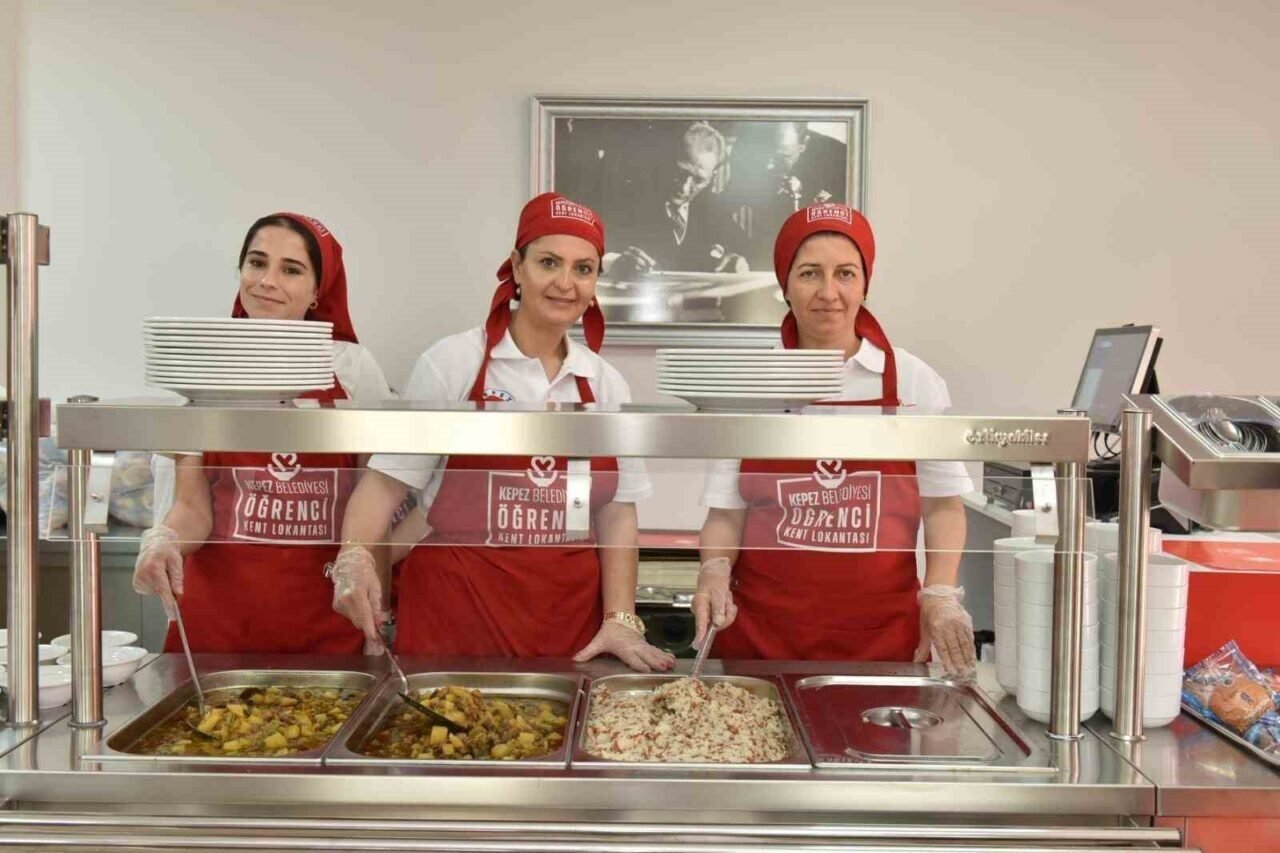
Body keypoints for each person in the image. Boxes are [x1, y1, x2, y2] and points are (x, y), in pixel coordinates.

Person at [333, 192, 675, 673]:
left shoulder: (604, 383)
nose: (565, 283)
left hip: (566, 627)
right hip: (454, 623)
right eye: (548, 262)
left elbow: (617, 512)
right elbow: (384, 485)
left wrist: (620, 619)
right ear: (516, 266)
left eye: (583, 269)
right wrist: (354, 557)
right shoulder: (453, 362)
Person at [692, 203, 977, 676]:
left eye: (845, 273)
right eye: (809, 274)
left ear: (865, 284)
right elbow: (724, 514)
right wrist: (714, 570)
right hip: (763, 643)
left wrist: (940, 594)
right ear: (785, 285)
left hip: (881, 642)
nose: (829, 293)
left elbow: (943, 506)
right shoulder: (752, 382)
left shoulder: (912, 381)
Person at [132, 213, 393, 654]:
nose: (267, 281)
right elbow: (193, 507)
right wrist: (165, 541)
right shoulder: (202, 362)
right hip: (218, 625)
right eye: (257, 263)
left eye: (291, 269)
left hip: (326, 619)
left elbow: (377, 499)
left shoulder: (351, 368)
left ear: (318, 290)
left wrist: (377, 617)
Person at [605, 122, 747, 280]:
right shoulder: (628, 200)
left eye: (698, 180)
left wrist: (738, 261)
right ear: (667, 161)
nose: (685, 187)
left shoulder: (713, 210)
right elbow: (590, 250)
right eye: (680, 172)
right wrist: (614, 262)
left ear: (711, 178)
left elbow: (750, 253)